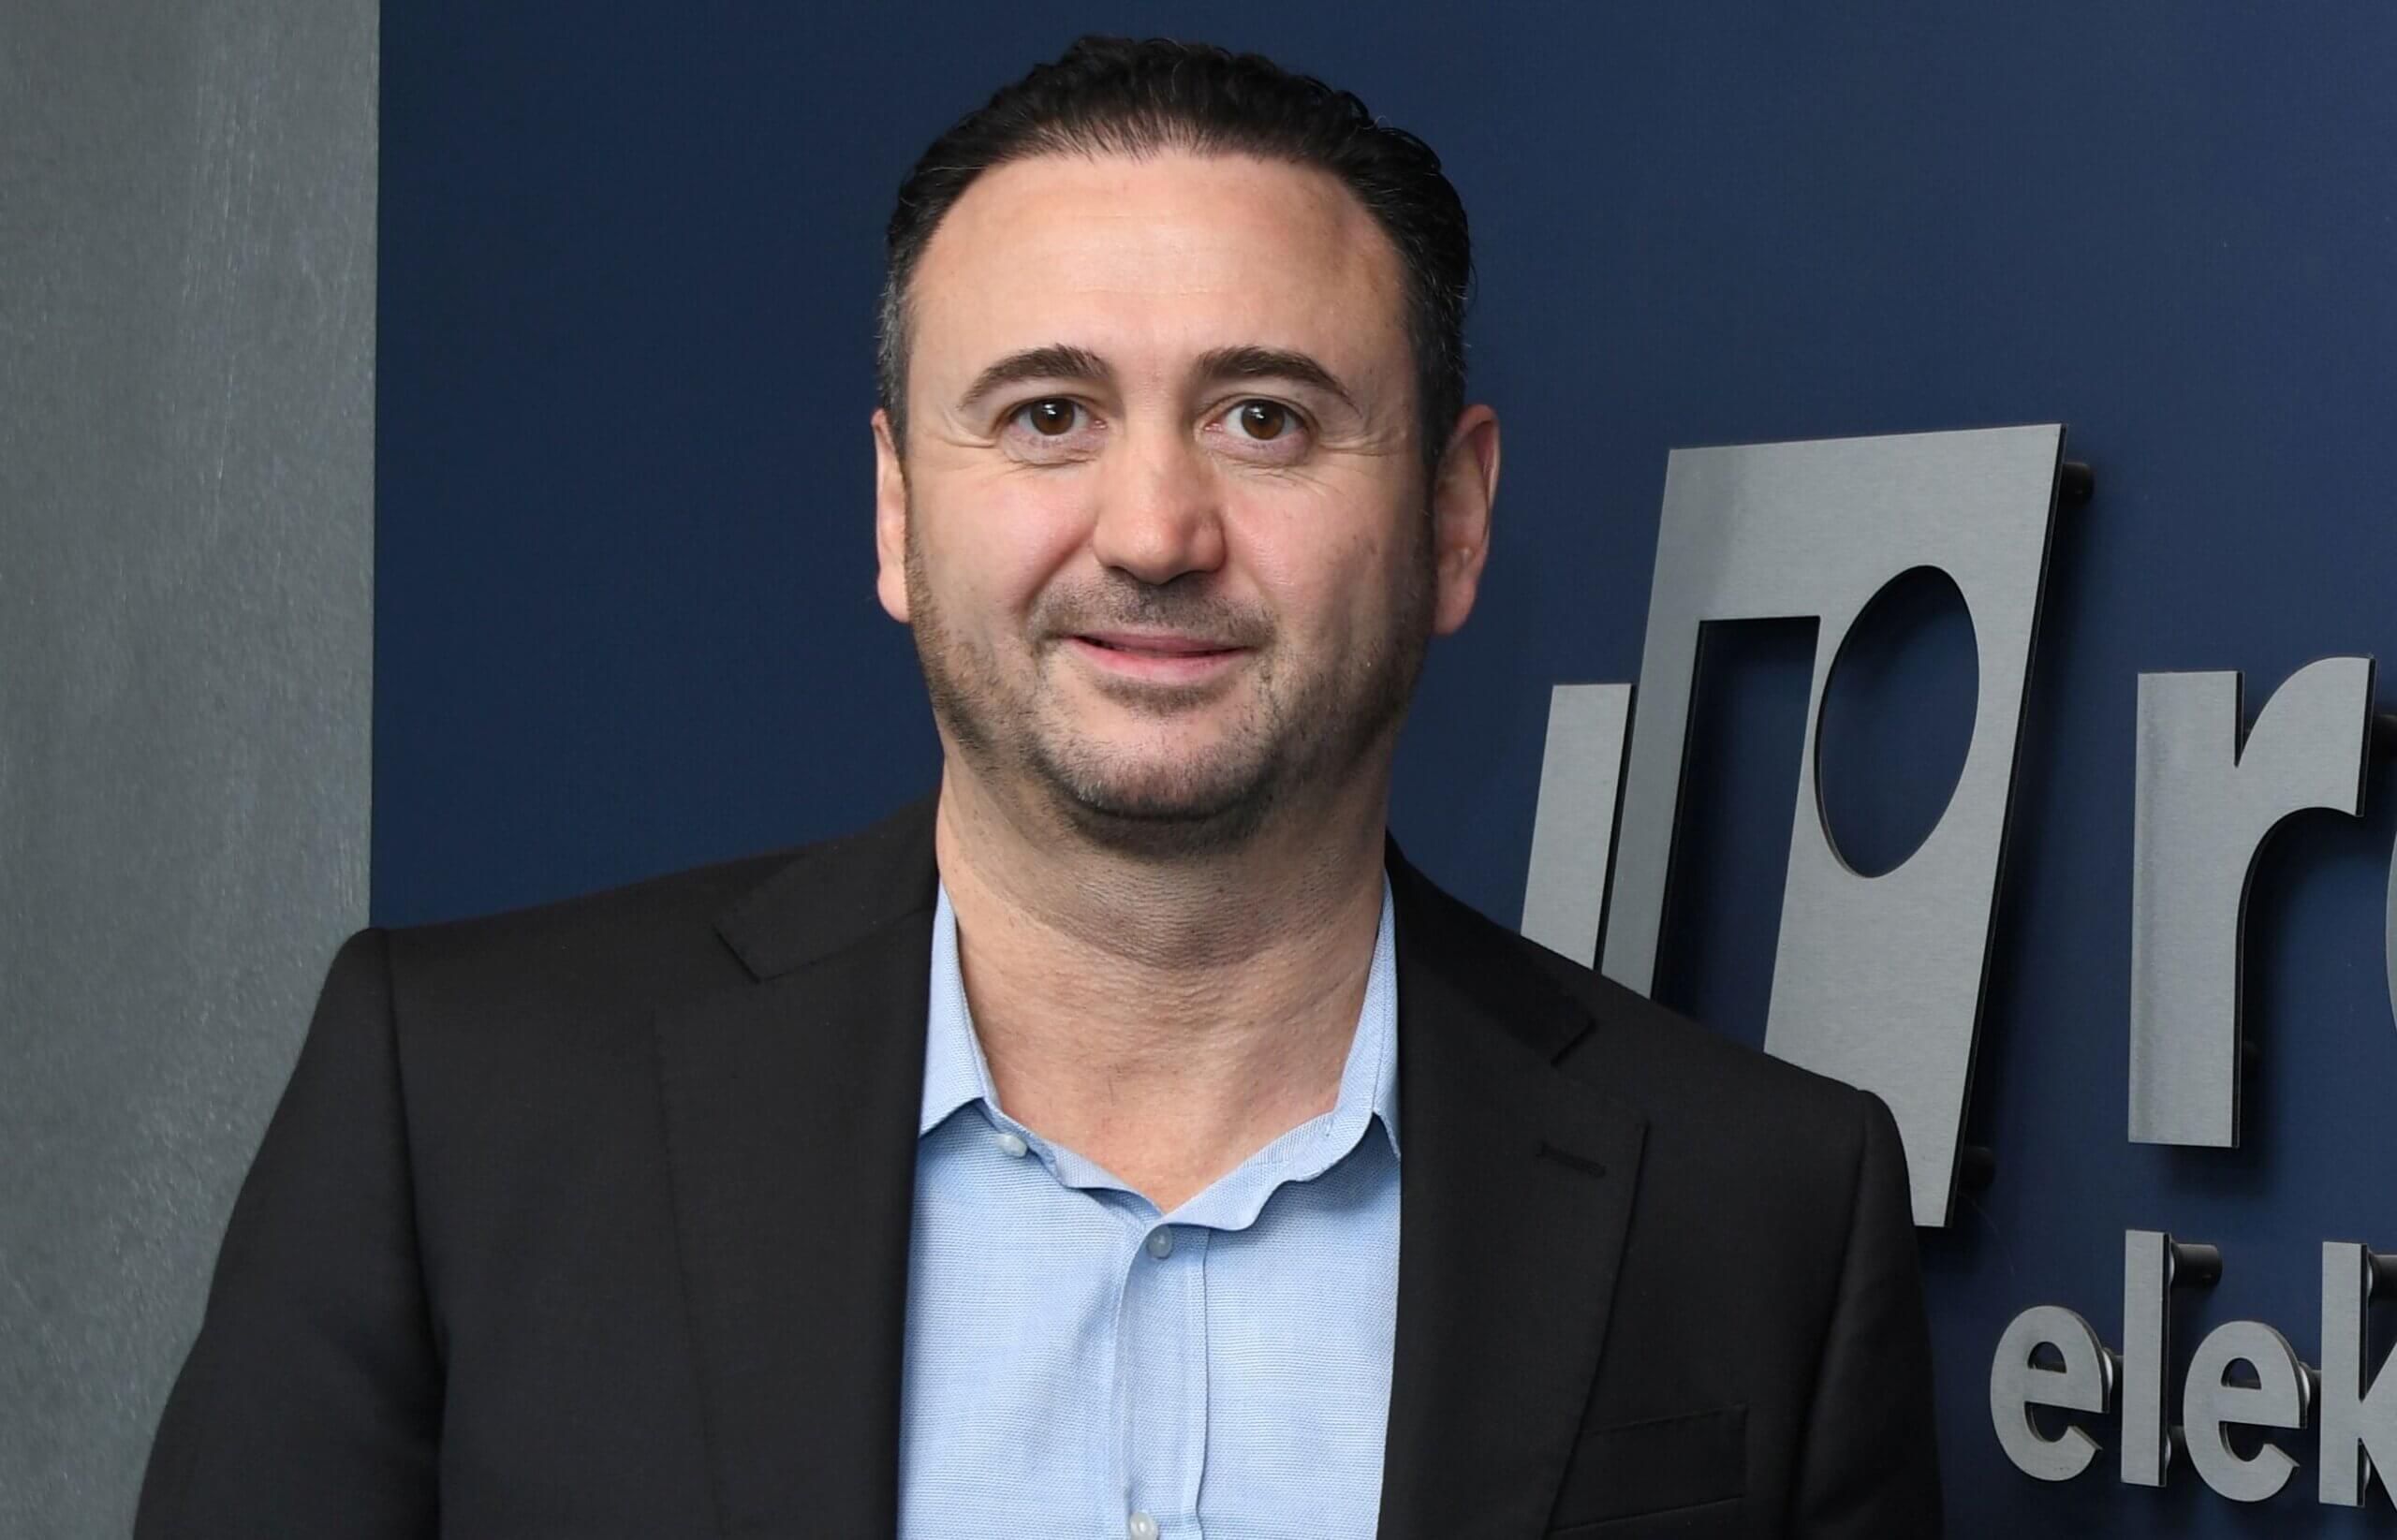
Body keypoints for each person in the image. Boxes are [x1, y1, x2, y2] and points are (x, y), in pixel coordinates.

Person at [137, 34, 1939, 1540]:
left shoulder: (1764, 1208)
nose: (1153, 532)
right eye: (1047, 415)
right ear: (897, 509)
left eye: (1265, 417)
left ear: (1453, 518)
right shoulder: (460, 1111)